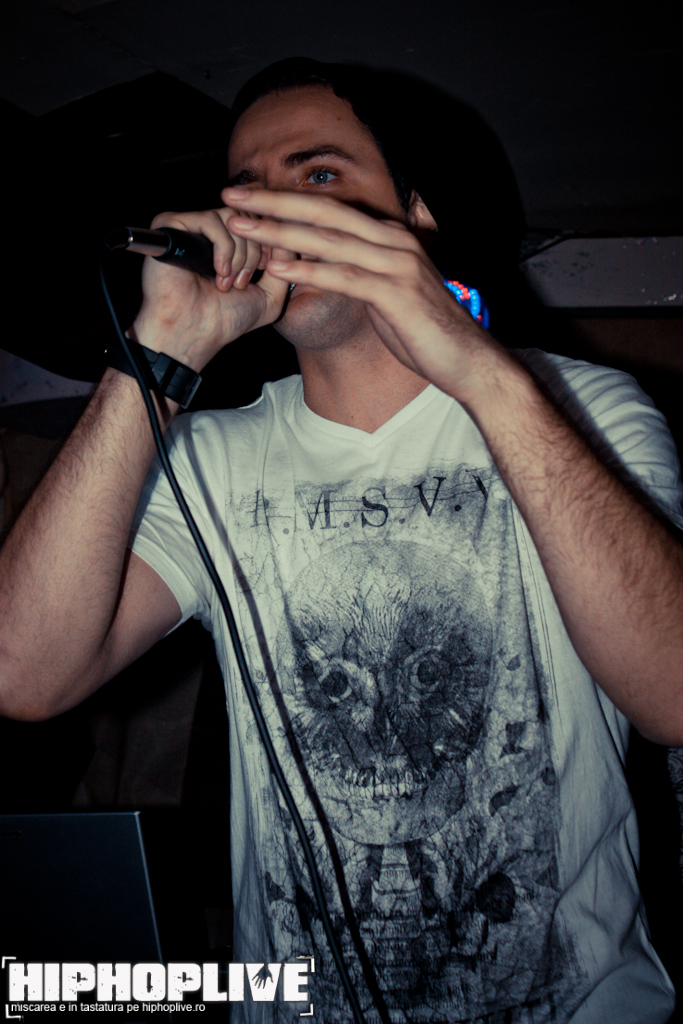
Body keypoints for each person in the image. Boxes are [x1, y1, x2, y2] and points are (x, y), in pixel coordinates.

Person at [1, 57, 683, 1023]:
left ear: (415, 215)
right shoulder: (214, 458)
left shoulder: (581, 409)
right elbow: (21, 673)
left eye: (317, 175)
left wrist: (479, 372)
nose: (271, 214)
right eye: (248, 191)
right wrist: (156, 358)